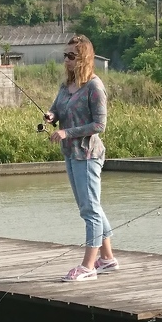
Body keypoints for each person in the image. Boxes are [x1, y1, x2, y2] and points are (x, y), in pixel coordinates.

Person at [45, 35, 118, 282]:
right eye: (65, 55)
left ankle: (88, 266)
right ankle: (107, 259)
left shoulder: (94, 87)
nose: (66, 60)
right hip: (70, 153)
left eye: (71, 56)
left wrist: (67, 131)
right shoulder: (66, 86)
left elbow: (99, 124)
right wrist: (51, 116)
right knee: (89, 207)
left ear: (84, 58)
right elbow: (56, 108)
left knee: (90, 210)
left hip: (88, 155)